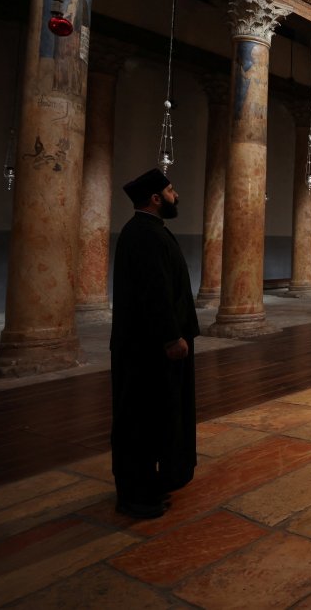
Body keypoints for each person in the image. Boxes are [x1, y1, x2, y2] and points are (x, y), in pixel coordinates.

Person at [110, 168, 200, 519]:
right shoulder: (144, 235)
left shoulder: (149, 231)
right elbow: (155, 293)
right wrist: (170, 337)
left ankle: (148, 487)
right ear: (155, 198)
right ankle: (135, 496)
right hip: (147, 349)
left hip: (150, 346)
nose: (177, 195)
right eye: (172, 190)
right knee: (140, 421)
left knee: (155, 417)